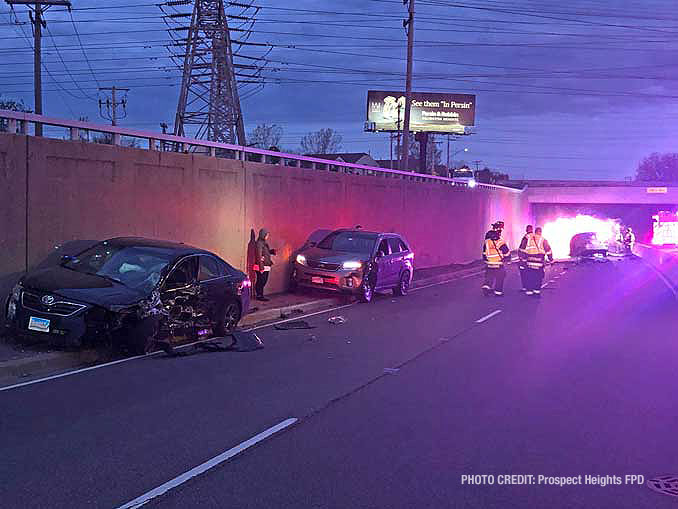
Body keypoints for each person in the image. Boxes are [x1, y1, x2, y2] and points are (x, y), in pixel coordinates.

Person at [521, 226, 553, 296]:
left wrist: (523, 259)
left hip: (529, 261)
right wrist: (551, 260)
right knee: (538, 276)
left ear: (535, 232)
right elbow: (548, 250)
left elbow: (522, 248)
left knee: (529, 276)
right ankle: (536, 290)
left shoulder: (528, 238)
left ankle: (529, 291)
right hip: (539, 262)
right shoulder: (543, 239)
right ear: (541, 232)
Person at [482, 228, 511, 296]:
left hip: (489, 263)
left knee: (489, 276)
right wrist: (507, 259)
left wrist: (486, 261)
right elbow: (506, 252)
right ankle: (498, 292)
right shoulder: (500, 242)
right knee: (500, 277)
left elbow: (484, 253)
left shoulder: (487, 242)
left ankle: (486, 287)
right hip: (498, 263)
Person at [254, 228, 276, 301]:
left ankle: (260, 294)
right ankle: (259, 295)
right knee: (261, 280)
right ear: (263, 235)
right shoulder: (259, 243)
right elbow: (258, 254)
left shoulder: (263, 243)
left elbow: (264, 252)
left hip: (265, 266)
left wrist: (271, 251)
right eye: (267, 235)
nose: (267, 236)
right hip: (262, 266)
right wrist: (261, 267)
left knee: (263, 280)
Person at [518, 225, 533, 292]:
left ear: (526, 230)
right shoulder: (535, 237)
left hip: (525, 259)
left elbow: (522, 248)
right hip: (533, 258)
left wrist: (521, 257)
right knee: (532, 273)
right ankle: (532, 286)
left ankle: (525, 287)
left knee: (524, 273)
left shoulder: (526, 237)